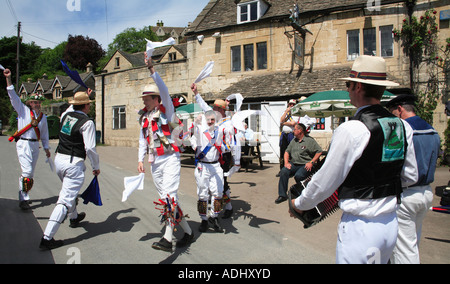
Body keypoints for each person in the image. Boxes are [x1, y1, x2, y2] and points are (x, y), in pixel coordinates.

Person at [290, 55, 418, 264]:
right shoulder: (402, 126)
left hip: (361, 228)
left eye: (348, 84)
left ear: (358, 86)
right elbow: (410, 176)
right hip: (390, 223)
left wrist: (300, 203)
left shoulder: (352, 130)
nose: (348, 88)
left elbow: (325, 182)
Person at [138, 58, 193, 252]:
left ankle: (168, 238)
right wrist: (140, 159)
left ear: (156, 98)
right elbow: (142, 139)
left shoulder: (166, 111)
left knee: (169, 197)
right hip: (155, 161)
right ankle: (187, 232)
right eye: (143, 98)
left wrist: (152, 69)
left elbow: (165, 90)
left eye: (147, 98)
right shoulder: (144, 117)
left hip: (170, 158)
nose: (144, 100)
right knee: (167, 199)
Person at [40, 91, 100, 250]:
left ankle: (74, 217)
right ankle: (47, 237)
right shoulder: (87, 123)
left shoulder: (66, 115)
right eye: (89, 104)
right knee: (65, 199)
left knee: (68, 190)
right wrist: (96, 166)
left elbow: (70, 107)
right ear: (86, 106)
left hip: (59, 159)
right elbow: (90, 148)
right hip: (73, 163)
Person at [386, 94, 441, 264]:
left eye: (393, 112)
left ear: (400, 110)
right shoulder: (432, 130)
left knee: (404, 249)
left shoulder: (403, 130)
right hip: (425, 191)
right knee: (413, 242)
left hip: (407, 193)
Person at [191, 83, 241, 219]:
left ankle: (226, 208)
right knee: (216, 184)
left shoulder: (228, 123)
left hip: (223, 156)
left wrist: (236, 161)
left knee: (222, 183)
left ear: (221, 110)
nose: (212, 109)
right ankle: (214, 208)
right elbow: (204, 106)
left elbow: (234, 142)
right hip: (212, 156)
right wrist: (196, 93)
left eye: (215, 108)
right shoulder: (216, 120)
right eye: (213, 107)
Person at [3, 68, 51, 210]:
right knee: (27, 172)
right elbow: (13, 96)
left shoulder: (43, 117)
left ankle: (25, 194)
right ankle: (23, 198)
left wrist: (47, 148)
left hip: (35, 146)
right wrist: (8, 79)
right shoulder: (23, 110)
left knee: (31, 172)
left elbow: (45, 134)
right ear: (30, 103)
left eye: (38, 103)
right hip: (23, 144)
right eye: (34, 103)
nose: (37, 105)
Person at [190, 110, 225, 232]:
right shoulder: (199, 128)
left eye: (212, 120)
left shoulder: (219, 130)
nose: (210, 122)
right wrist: (195, 147)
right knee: (203, 194)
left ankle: (213, 217)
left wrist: (224, 147)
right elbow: (191, 138)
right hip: (202, 165)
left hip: (216, 165)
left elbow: (224, 143)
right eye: (208, 119)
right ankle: (204, 219)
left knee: (218, 193)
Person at [275, 123, 322, 204]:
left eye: (295, 129)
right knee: (284, 171)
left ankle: (304, 195)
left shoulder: (309, 141)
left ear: (300, 130)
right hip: (294, 164)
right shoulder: (294, 141)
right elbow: (286, 152)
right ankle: (282, 195)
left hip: (305, 164)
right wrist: (286, 163)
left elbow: (319, 151)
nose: (293, 131)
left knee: (299, 176)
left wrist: (311, 162)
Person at [278, 99, 298, 176]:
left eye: (293, 104)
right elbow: (281, 120)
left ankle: (291, 170)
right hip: (284, 134)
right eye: (290, 104)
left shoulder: (296, 113)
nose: (291, 106)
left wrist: (283, 123)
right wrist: (286, 112)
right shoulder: (285, 113)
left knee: (292, 152)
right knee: (282, 152)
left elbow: (293, 123)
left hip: (291, 134)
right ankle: (282, 170)